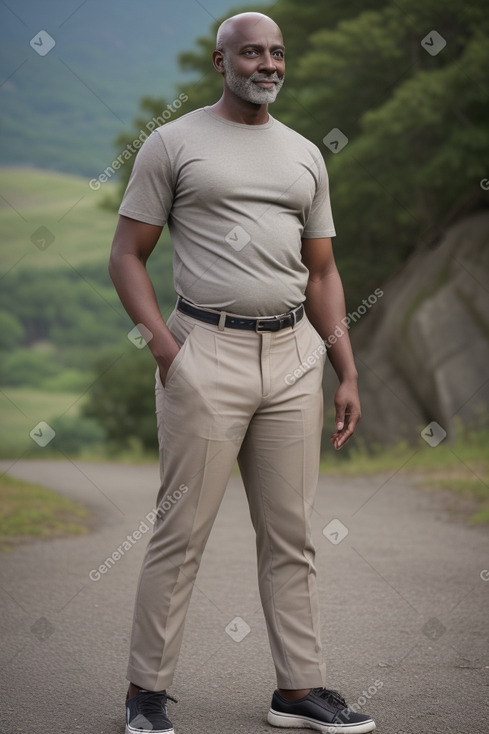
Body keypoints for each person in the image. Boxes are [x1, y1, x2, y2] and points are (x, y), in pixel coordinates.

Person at [109, 11, 376, 734]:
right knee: (179, 532)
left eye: (277, 53)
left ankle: (298, 690)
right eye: (251, 52)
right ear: (220, 63)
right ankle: (146, 695)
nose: (267, 64)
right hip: (206, 352)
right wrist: (166, 348)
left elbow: (321, 270)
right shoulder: (174, 143)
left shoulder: (302, 155)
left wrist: (343, 367)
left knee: (291, 536)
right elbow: (126, 254)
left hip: (294, 360)